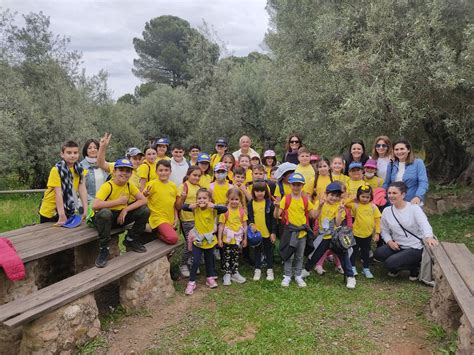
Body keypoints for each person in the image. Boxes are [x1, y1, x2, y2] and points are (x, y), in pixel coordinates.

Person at [374, 181, 437, 280]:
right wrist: (389, 242)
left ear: (403, 194)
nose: (391, 196)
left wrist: (429, 236)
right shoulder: (387, 211)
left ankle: (414, 266)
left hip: (414, 247)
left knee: (390, 263)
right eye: (389, 193)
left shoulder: (414, 208)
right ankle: (400, 263)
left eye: (394, 193)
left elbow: (424, 223)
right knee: (378, 254)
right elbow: (384, 230)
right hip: (398, 245)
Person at [92, 158, 149, 268]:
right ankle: (104, 249)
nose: (124, 173)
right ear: (114, 171)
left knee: (144, 210)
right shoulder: (108, 186)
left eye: (128, 171)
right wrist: (118, 202)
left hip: (120, 216)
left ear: (131, 173)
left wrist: (126, 209)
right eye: (121, 170)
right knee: (105, 213)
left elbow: (143, 200)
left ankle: (131, 239)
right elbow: (95, 205)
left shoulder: (129, 186)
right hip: (104, 219)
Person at [302, 182, 357, 289]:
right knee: (316, 253)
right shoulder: (320, 203)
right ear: (326, 194)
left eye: (337, 196)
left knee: (344, 256)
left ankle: (350, 276)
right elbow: (314, 216)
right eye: (332, 195)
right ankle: (306, 270)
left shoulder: (339, 206)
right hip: (324, 236)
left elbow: (337, 223)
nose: (334, 198)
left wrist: (340, 212)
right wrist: (320, 206)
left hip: (336, 237)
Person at [182, 188, 228, 295]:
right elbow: (183, 207)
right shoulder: (195, 208)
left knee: (209, 260)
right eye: (199, 198)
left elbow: (225, 209)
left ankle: (209, 278)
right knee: (196, 261)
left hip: (209, 240)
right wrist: (191, 205)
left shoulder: (213, 209)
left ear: (209, 199)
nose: (201, 200)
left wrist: (214, 205)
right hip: (198, 240)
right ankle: (192, 282)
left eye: (204, 198)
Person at [275, 173, 316, 288]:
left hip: (302, 233)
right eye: (294, 184)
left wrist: (321, 206)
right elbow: (276, 215)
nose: (296, 187)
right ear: (290, 185)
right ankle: (287, 275)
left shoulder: (305, 200)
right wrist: (277, 206)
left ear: (302, 186)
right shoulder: (286, 199)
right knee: (289, 255)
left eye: (298, 185)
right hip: (289, 232)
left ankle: (298, 275)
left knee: (299, 255)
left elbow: (313, 215)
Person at [39, 141, 88, 224]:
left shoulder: (80, 170)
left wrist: (86, 210)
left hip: (67, 209)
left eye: (75, 153)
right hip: (51, 211)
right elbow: (58, 193)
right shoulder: (56, 170)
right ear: (62, 154)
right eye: (69, 153)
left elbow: (82, 190)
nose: (72, 155)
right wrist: (61, 215)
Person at [383, 139, 428, 205]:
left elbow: (423, 182)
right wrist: (381, 194)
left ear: (408, 150)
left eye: (402, 149)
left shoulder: (418, 163)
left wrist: (418, 196)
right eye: (396, 149)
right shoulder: (391, 164)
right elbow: (386, 183)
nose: (399, 151)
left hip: (412, 202)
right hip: (394, 203)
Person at [349, 185, 381, 278]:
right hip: (356, 233)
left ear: (371, 197)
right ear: (358, 196)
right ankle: (352, 266)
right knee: (354, 251)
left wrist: (377, 232)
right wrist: (353, 198)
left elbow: (378, 219)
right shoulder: (355, 206)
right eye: (362, 196)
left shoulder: (373, 207)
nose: (365, 199)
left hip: (368, 235)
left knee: (366, 252)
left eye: (367, 197)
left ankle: (366, 268)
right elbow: (345, 203)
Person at [175, 166, 202, 277]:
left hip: (198, 219)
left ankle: (192, 260)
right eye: (194, 175)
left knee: (197, 241)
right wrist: (182, 198)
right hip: (187, 219)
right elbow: (177, 206)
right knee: (190, 242)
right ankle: (183, 264)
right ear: (189, 175)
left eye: (199, 176)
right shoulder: (183, 186)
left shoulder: (199, 187)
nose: (196, 177)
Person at [218, 188, 248, 285]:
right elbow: (221, 226)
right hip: (227, 239)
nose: (234, 201)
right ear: (228, 199)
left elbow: (245, 225)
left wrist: (245, 239)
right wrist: (219, 239)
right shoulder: (225, 211)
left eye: (236, 199)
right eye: (232, 199)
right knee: (227, 256)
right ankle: (227, 274)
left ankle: (234, 273)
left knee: (235, 256)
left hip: (237, 239)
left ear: (240, 200)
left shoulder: (242, 212)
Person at [145, 160, 179, 245]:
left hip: (169, 218)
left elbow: (174, 204)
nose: (163, 173)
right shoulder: (152, 184)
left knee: (172, 239)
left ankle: (160, 232)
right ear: (156, 172)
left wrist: (176, 217)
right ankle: (156, 233)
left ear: (170, 172)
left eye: (166, 170)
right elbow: (142, 198)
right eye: (160, 170)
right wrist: (145, 194)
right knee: (173, 239)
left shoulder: (173, 186)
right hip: (157, 218)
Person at [80, 139, 109, 203]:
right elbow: (79, 190)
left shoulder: (105, 165)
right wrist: (94, 202)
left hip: (105, 202)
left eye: (95, 148)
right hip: (88, 204)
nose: (93, 150)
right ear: (86, 150)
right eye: (89, 148)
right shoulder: (81, 167)